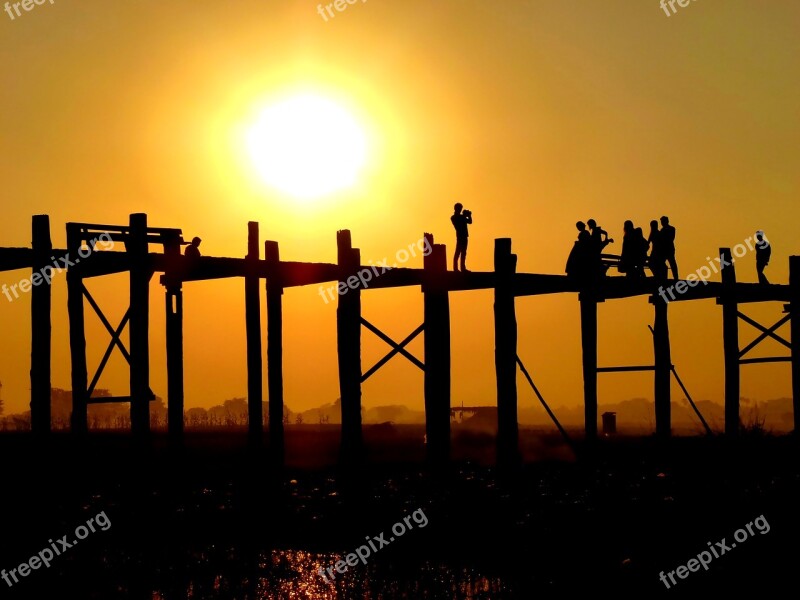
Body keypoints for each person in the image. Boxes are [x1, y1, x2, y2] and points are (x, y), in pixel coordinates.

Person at [451, 203, 472, 272]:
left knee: (464, 252)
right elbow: (459, 220)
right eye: (459, 208)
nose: (460, 210)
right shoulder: (454, 217)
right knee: (458, 252)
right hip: (460, 236)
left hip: (464, 236)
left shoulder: (461, 217)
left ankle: (463, 268)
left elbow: (470, 221)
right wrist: (465, 215)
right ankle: (455, 268)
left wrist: (469, 215)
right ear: (456, 208)